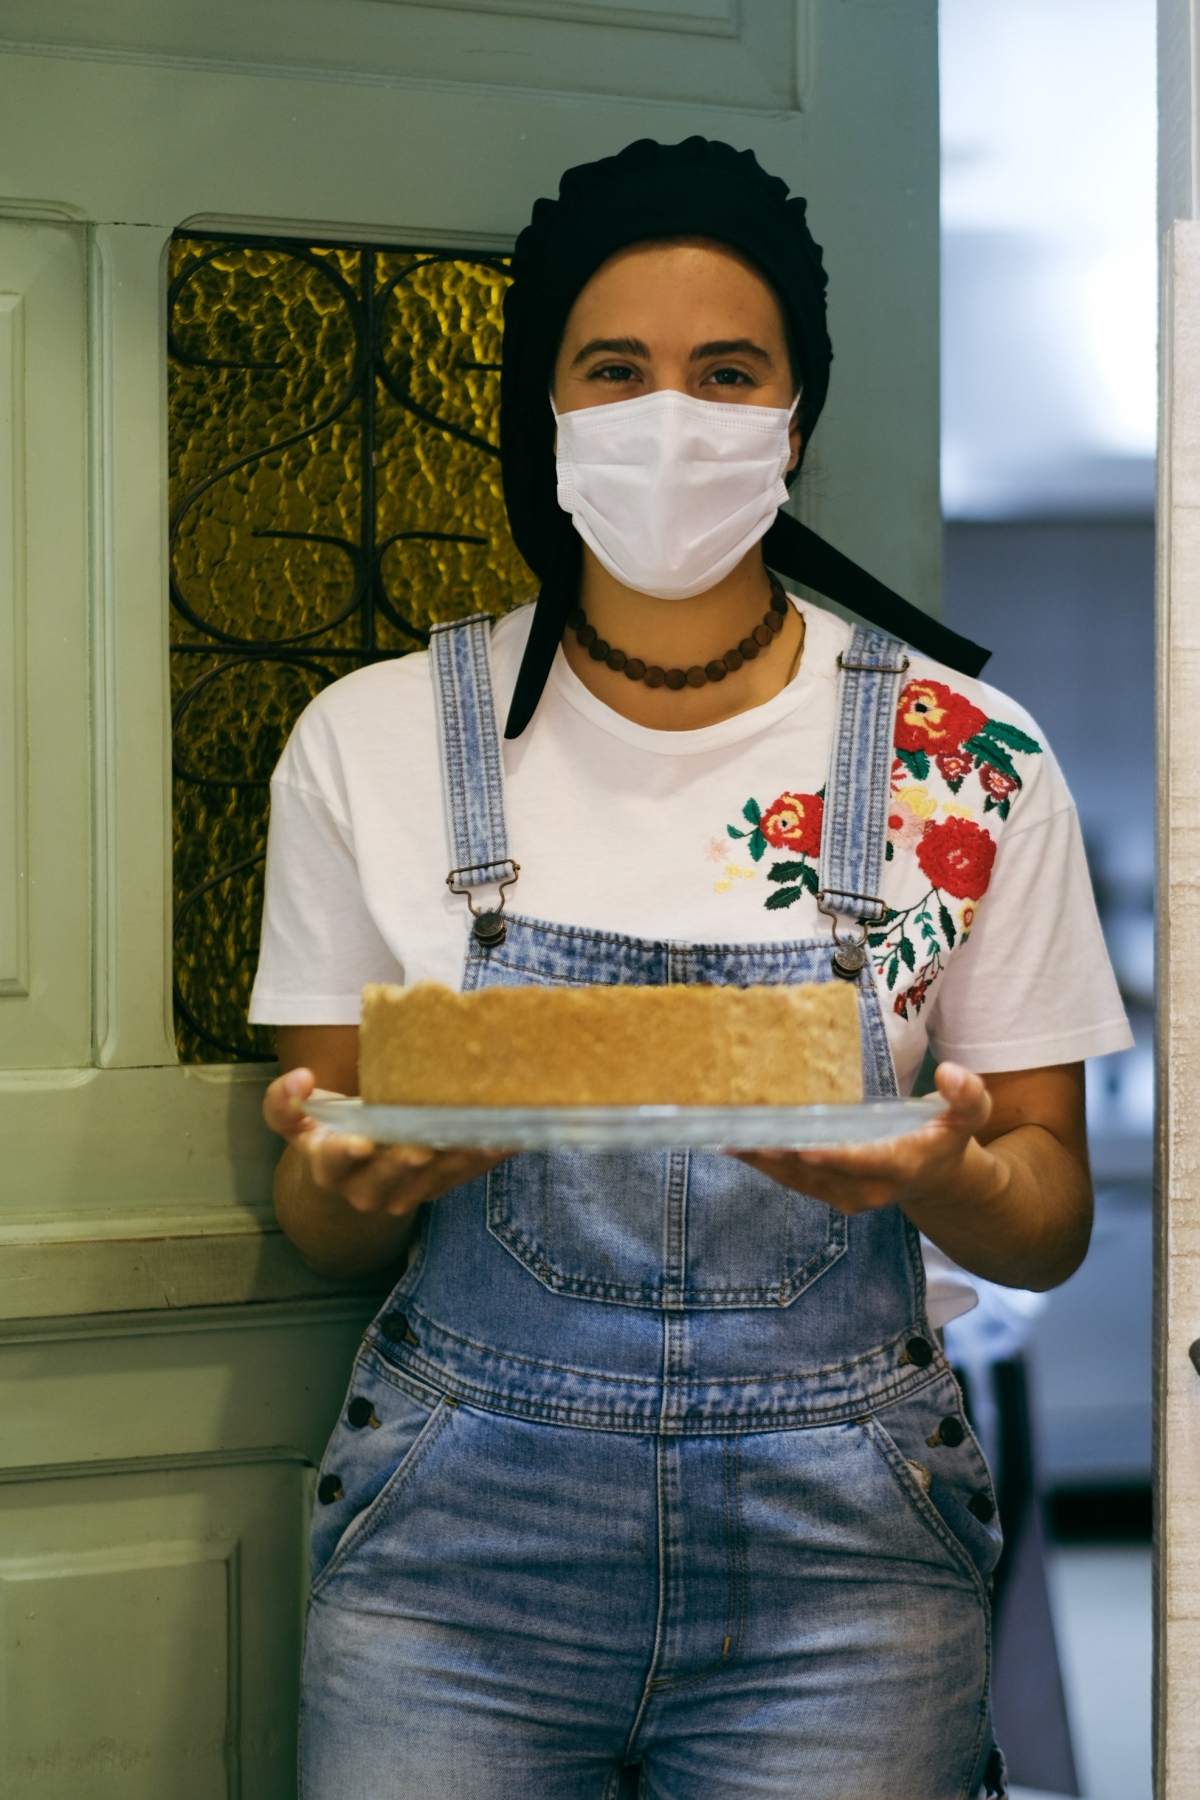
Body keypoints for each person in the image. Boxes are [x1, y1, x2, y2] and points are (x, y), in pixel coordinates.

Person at [251, 139, 1131, 1800]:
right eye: (616, 370)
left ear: (793, 416)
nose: (674, 415)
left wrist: (936, 1174)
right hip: (455, 1562)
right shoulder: (367, 743)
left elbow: (1055, 1220)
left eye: (728, 373)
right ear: (552, 409)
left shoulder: (969, 758)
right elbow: (311, 1211)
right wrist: (364, 1169)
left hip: (849, 1562)